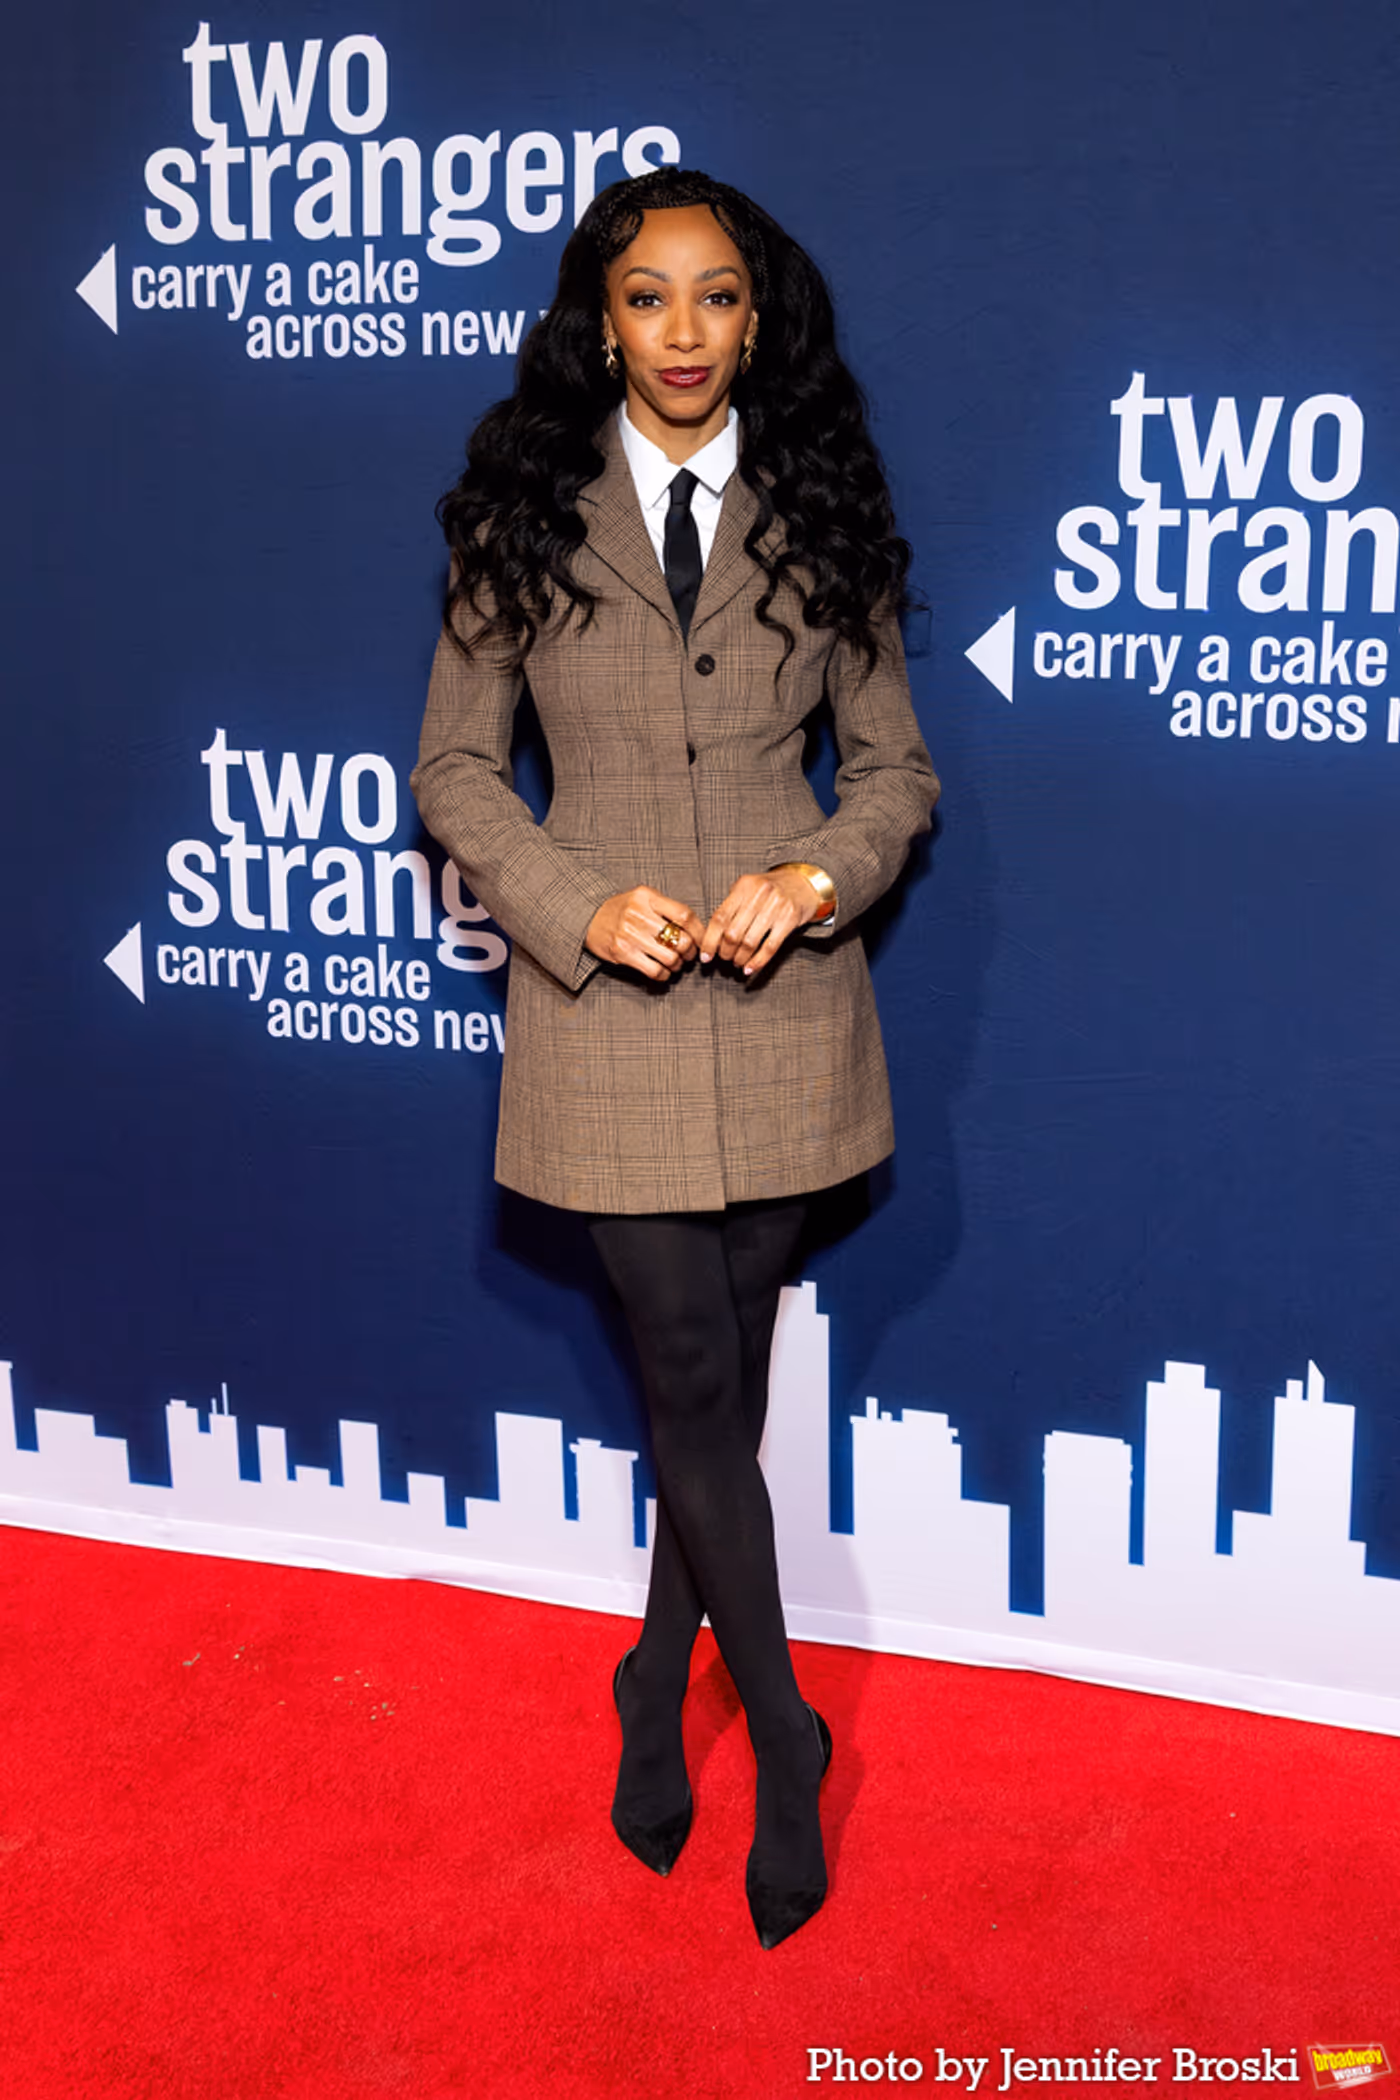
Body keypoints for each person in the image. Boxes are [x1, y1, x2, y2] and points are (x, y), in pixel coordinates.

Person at [412, 167, 938, 1950]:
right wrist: (575, 904)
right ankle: (787, 1744)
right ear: (601, 319)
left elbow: (898, 778)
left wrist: (815, 876)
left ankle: (656, 1672)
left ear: (759, 318)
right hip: (605, 1019)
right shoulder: (520, 517)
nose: (688, 334)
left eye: (720, 298)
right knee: (702, 1384)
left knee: (708, 1393)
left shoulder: (824, 512)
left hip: (788, 1020)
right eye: (650, 299)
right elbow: (458, 774)